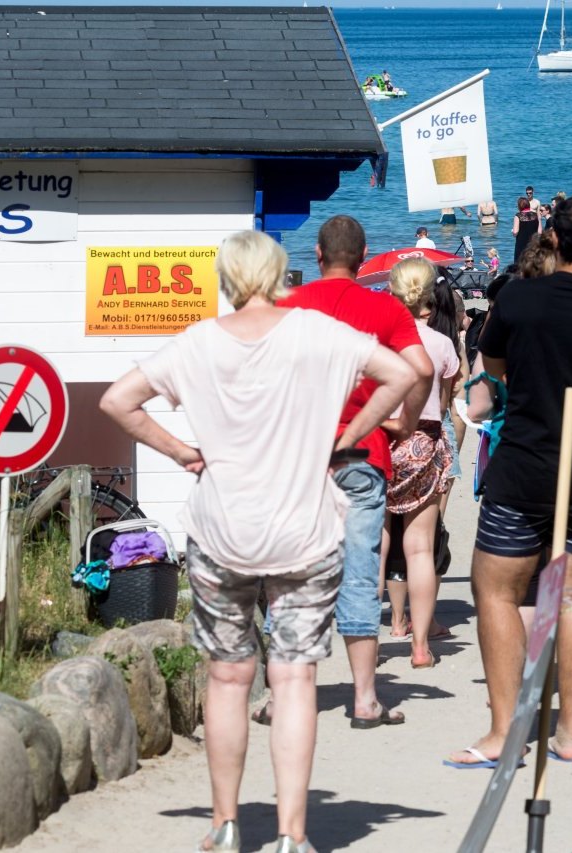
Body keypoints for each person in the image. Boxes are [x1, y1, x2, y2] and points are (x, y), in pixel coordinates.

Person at [100, 230, 417, 853]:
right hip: (303, 527)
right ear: (278, 274)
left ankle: (224, 824)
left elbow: (118, 400)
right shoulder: (316, 332)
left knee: (227, 678)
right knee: (295, 678)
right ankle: (293, 835)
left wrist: (185, 453)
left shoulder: (197, 344)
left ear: (225, 277)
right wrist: (347, 434)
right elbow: (403, 372)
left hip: (222, 531)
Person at [447, 196, 572, 768]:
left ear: (550, 237)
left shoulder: (519, 297)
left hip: (525, 466)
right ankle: (571, 731)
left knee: (497, 592)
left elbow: (496, 370)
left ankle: (505, 730)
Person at [275, 215, 434, 733]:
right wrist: (402, 423)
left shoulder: (289, 308)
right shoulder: (384, 308)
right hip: (365, 453)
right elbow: (422, 369)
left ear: (317, 256)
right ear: (363, 258)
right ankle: (365, 699)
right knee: (361, 572)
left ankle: (283, 698)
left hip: (301, 456)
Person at [381, 259, 459, 669]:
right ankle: (421, 647)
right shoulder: (442, 345)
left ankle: (370, 644)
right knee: (419, 549)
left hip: (380, 440)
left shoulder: (378, 341)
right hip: (424, 442)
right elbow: (444, 403)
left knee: (377, 547)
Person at [512, 196, 541, 264]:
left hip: (521, 243)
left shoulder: (518, 216)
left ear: (520, 206)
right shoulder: (536, 215)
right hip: (533, 243)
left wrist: (513, 232)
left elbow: (515, 232)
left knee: (520, 263)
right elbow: (539, 232)